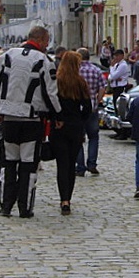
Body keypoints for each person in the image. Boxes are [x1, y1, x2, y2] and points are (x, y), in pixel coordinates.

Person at [0, 25, 62, 218]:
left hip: (9, 118)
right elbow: (50, 92)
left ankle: (6, 205)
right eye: (46, 41)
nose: (47, 45)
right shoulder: (44, 60)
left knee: (9, 162)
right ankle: (24, 206)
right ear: (41, 40)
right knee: (28, 164)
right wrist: (57, 115)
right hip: (32, 118)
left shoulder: (7, 56)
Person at [49, 51, 91, 216]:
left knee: (62, 164)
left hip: (59, 126)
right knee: (71, 165)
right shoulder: (80, 82)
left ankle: (63, 199)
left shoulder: (56, 81)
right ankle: (68, 199)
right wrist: (80, 119)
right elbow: (87, 107)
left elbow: (50, 103)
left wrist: (56, 118)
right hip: (75, 127)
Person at [75, 48, 106, 177]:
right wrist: (97, 100)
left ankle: (80, 167)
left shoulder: (75, 71)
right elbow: (103, 87)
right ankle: (92, 164)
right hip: (92, 107)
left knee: (78, 138)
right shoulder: (96, 70)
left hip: (77, 108)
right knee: (93, 137)